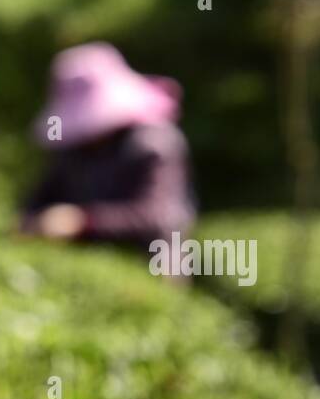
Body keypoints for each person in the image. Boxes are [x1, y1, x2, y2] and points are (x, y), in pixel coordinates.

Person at [20, 42, 196, 249]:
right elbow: (38, 202)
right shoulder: (73, 150)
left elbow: (157, 214)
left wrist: (83, 222)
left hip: (153, 259)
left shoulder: (154, 143)